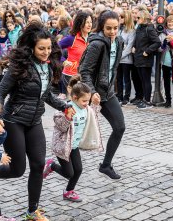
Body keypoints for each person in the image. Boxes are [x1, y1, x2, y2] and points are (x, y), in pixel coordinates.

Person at [0, 23, 72, 221]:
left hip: (34, 121)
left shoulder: (47, 66)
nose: (46, 53)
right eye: (41, 48)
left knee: (38, 165)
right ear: (31, 48)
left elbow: (46, 95)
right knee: (18, 169)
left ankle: (32, 211)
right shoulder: (19, 66)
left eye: (48, 48)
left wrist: (64, 107)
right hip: (14, 121)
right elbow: (0, 93)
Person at [79, 10, 125, 179]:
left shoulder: (119, 41)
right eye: (108, 28)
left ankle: (106, 165)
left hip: (108, 93)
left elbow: (113, 68)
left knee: (120, 127)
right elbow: (84, 71)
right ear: (102, 27)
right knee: (77, 134)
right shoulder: (96, 44)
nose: (112, 32)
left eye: (115, 28)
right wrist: (92, 92)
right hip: (94, 92)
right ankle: (64, 166)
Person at [43, 76, 103, 202]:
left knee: (79, 169)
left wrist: (95, 105)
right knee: (69, 173)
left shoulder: (86, 109)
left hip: (73, 145)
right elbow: (61, 126)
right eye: (84, 101)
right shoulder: (66, 108)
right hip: (62, 146)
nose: (87, 104)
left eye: (88, 100)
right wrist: (68, 117)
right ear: (75, 98)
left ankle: (68, 191)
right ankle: (51, 165)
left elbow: (93, 117)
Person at [132, 9, 161, 109]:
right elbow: (138, 40)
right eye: (136, 18)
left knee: (146, 80)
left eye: (138, 17)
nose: (137, 19)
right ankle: (144, 99)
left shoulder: (149, 28)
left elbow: (157, 42)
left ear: (144, 18)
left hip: (145, 58)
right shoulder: (140, 27)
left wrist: (147, 51)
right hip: (138, 57)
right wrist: (134, 46)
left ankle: (147, 101)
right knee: (142, 80)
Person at [58, 11, 92, 97]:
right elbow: (55, 48)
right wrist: (63, 61)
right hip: (71, 75)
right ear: (80, 23)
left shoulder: (91, 38)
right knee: (75, 101)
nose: (89, 25)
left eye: (91, 22)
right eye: (87, 22)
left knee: (84, 101)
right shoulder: (71, 38)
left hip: (85, 75)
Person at [159, 15, 173, 108]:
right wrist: (164, 44)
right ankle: (168, 100)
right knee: (166, 81)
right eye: (169, 22)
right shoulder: (163, 33)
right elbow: (159, 49)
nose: (171, 23)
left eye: (172, 22)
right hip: (165, 59)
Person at [116, 10, 137, 106]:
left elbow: (129, 47)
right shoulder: (118, 30)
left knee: (126, 79)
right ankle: (119, 96)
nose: (119, 18)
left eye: (122, 17)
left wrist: (119, 56)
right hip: (117, 59)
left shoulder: (131, 31)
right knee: (118, 78)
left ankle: (126, 97)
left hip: (126, 59)